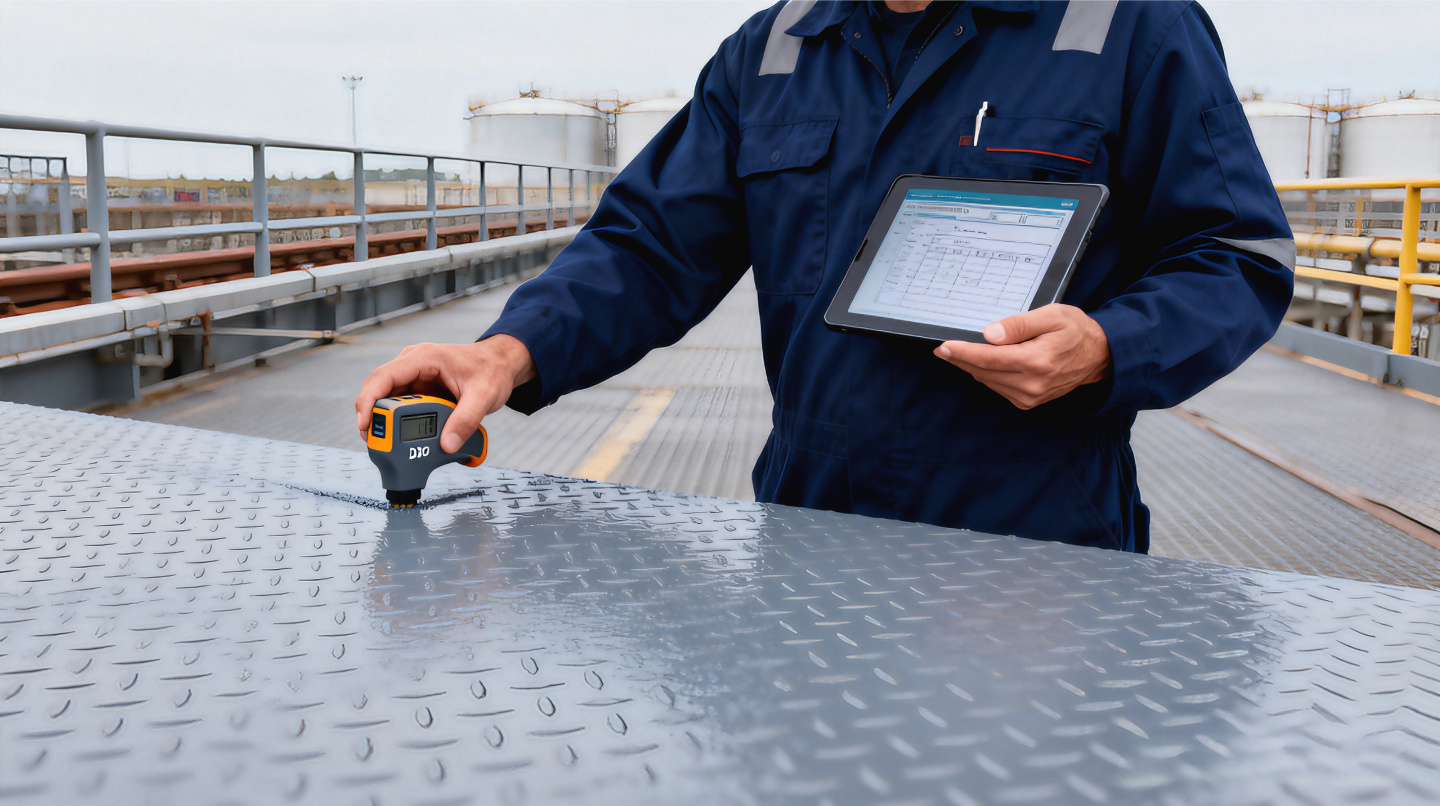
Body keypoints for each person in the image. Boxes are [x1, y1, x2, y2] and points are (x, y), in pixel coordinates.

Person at [356, 0, 1294, 553]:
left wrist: (1106, 348)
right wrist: (509, 353)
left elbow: (1237, 256)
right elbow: (649, 245)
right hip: (808, 534)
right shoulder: (776, 51)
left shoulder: (1123, 29)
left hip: (1035, 548)